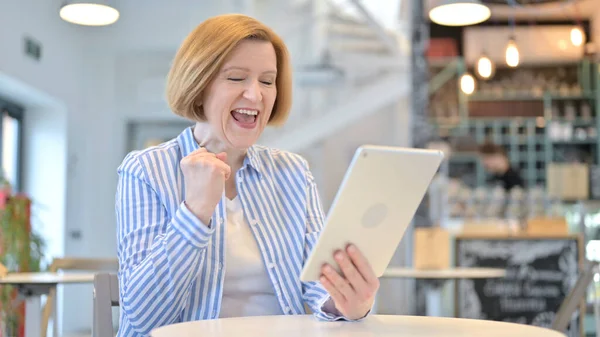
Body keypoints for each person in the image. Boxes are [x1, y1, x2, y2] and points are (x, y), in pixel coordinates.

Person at [115, 14, 379, 337]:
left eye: (267, 81)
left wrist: (344, 304)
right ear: (199, 84)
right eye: (237, 77)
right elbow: (141, 317)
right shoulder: (145, 170)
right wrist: (195, 213)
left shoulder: (293, 173)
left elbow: (319, 288)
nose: (256, 96)